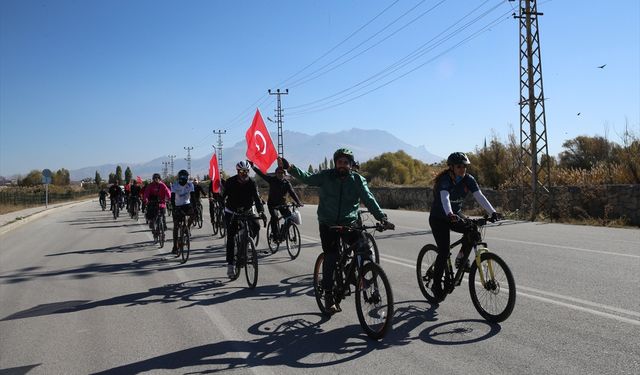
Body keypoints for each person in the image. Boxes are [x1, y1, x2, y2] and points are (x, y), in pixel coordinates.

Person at [282, 148, 394, 313]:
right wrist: (290, 167)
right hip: (328, 223)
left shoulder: (357, 179)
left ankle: (359, 274)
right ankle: (328, 296)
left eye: (346, 163)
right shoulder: (326, 176)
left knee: (364, 249)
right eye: (339, 162)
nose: (342, 165)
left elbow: (368, 198)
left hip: (350, 222)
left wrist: (381, 217)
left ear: (350, 164)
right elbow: (307, 177)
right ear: (336, 163)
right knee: (331, 257)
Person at [429, 152, 501, 302]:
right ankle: (436, 285)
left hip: (455, 215)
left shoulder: (468, 180)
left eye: (465, 166)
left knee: (473, 230)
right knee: (443, 251)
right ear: (451, 168)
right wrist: (449, 213)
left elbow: (479, 196)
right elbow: (445, 198)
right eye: (459, 166)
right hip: (439, 218)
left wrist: (492, 212)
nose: (462, 169)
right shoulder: (445, 180)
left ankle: (461, 258)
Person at [222, 161, 266, 277]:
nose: (244, 173)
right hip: (232, 211)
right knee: (231, 236)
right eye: (242, 171)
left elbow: (256, 198)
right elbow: (223, 196)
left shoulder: (252, 182)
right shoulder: (230, 182)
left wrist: (261, 211)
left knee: (256, 226)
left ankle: (245, 243)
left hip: (247, 210)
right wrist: (222, 207)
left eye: (246, 171)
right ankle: (230, 265)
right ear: (237, 171)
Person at [249, 161, 303, 241]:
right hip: (272, 204)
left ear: (284, 174)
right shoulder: (272, 180)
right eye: (278, 173)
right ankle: (275, 236)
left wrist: (298, 202)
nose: (280, 174)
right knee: (275, 217)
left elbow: (292, 193)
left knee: (289, 217)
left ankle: (283, 233)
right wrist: (253, 167)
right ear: (276, 173)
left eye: (282, 173)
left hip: (283, 204)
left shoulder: (287, 183)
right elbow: (262, 174)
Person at [171, 170, 195, 254]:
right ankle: (175, 246)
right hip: (177, 205)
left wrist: (194, 207)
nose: (184, 178)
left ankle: (187, 227)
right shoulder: (175, 185)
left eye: (186, 177)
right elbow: (172, 198)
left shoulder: (190, 184)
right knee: (176, 226)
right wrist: (174, 208)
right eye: (183, 177)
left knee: (193, 215)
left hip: (186, 204)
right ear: (179, 177)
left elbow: (193, 197)